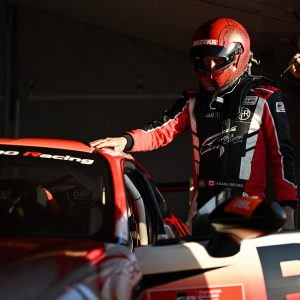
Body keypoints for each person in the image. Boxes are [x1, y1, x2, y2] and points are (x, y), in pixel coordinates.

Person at [90, 17, 298, 232]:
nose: (209, 66)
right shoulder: (193, 99)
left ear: (237, 56)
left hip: (247, 208)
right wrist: (126, 140)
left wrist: (288, 206)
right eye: (204, 60)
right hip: (200, 209)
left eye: (216, 59)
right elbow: (162, 130)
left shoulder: (265, 96)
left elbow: (282, 156)